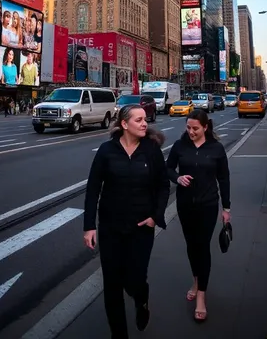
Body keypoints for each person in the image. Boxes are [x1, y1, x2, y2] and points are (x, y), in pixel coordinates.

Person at [83, 105, 170, 339]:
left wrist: (156, 216)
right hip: (111, 227)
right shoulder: (106, 151)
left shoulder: (151, 151)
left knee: (135, 279)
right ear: (124, 124)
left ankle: (141, 299)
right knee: (112, 285)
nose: (145, 124)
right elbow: (93, 189)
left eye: (145, 120)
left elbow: (163, 186)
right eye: (139, 120)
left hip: (141, 227)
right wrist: (89, 226)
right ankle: (119, 334)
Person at [166, 109, 230, 323]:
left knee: (202, 247)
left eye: (195, 128)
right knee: (191, 246)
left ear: (205, 127)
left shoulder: (216, 148)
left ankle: (201, 296)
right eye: (188, 128)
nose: (191, 132)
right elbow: (168, 169)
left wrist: (226, 208)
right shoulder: (179, 146)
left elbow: (224, 178)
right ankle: (196, 281)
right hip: (185, 205)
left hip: (208, 205)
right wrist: (177, 178)